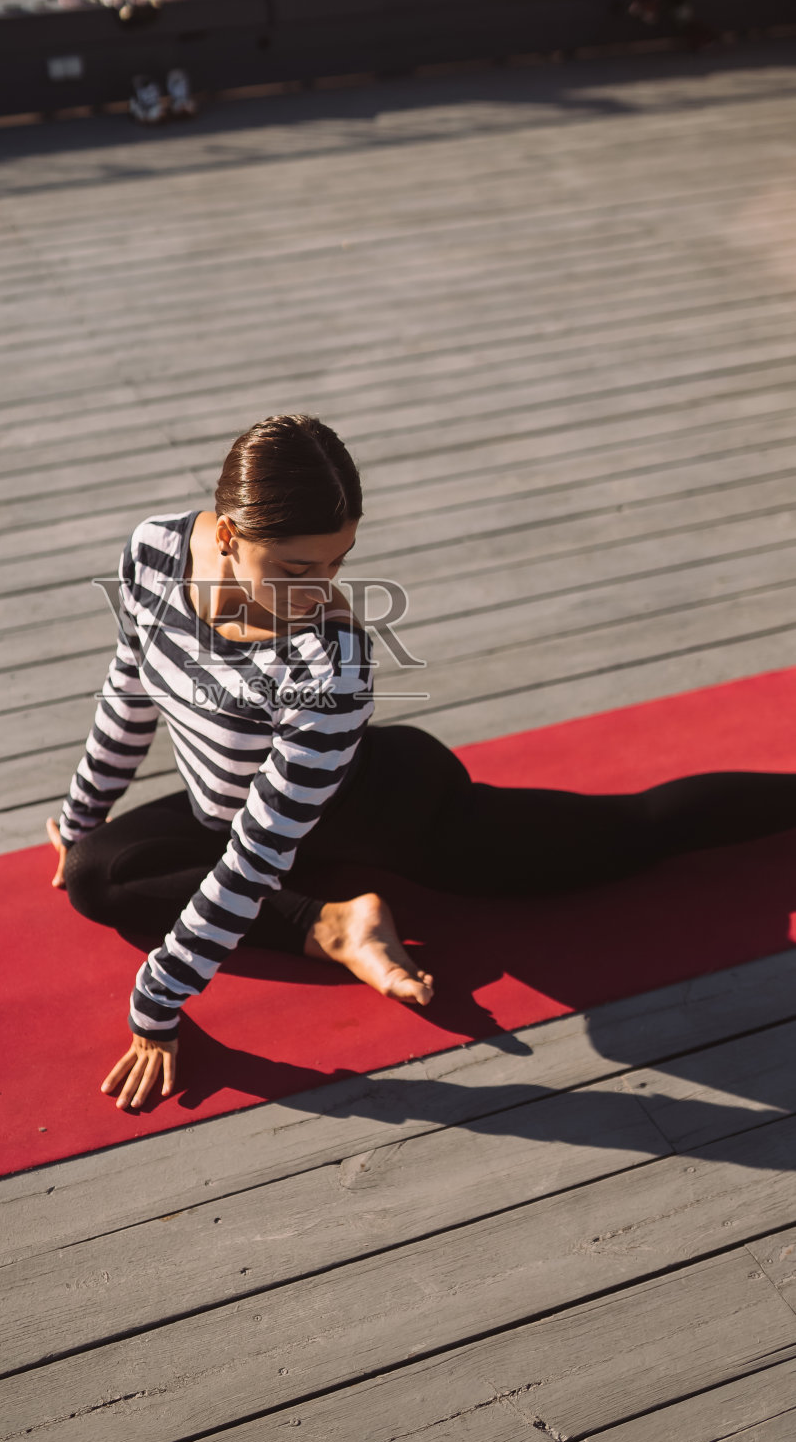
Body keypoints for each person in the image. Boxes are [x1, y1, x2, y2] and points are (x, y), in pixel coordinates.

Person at [48, 414, 796, 1111]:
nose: (320, 592)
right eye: (295, 567)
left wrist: (157, 1002)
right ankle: (336, 923)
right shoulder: (154, 550)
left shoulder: (329, 659)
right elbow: (129, 684)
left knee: (634, 830)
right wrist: (82, 816)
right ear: (229, 535)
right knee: (95, 873)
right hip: (229, 813)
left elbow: (257, 858)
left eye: (338, 562)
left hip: (380, 807)